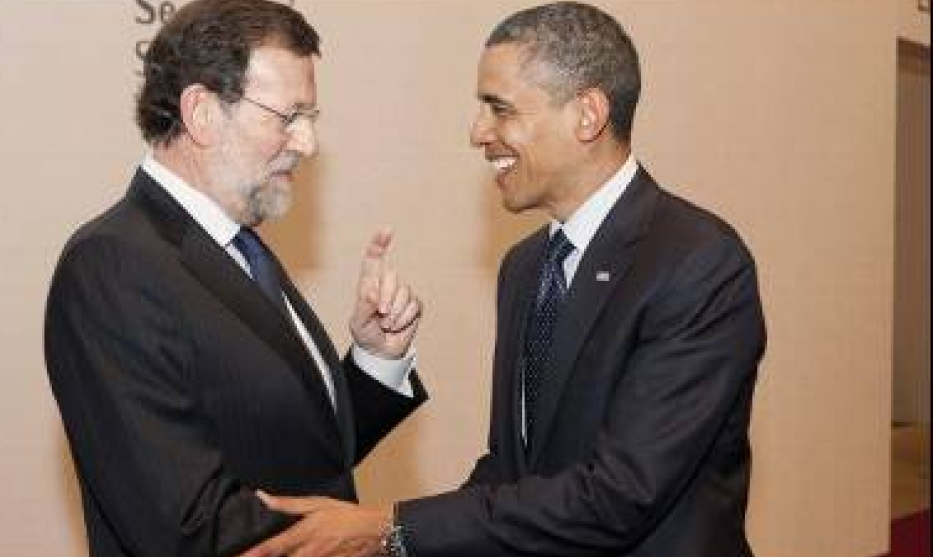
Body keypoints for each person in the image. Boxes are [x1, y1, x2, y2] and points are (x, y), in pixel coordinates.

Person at [248, 2, 767, 557]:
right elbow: (511, 472)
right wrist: (386, 537)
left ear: (588, 115)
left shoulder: (696, 263)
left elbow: (621, 496)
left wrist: (388, 529)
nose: (478, 132)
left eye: (499, 108)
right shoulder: (526, 266)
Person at [42, 1, 427, 556]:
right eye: (288, 116)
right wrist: (377, 534)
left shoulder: (238, 247)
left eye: (311, 118)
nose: (308, 143)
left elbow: (302, 458)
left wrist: (375, 359)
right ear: (201, 112)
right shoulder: (111, 266)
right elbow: (186, 525)